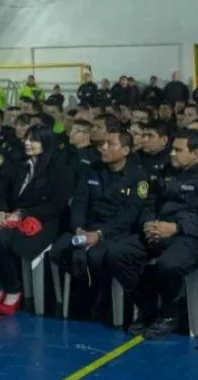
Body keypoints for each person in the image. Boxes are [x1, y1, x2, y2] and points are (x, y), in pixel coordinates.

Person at [132, 129, 198, 339]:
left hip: (191, 236)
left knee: (169, 264)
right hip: (159, 229)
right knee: (123, 253)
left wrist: (176, 228)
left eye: (178, 150)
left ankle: (169, 314)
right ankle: (147, 307)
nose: (172, 154)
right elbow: (149, 202)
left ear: (195, 153)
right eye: (172, 149)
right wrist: (149, 224)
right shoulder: (164, 171)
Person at [0, 125, 71, 317]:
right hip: (11, 217)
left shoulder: (59, 170)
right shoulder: (17, 164)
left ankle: (13, 289)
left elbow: (55, 206)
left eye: (33, 140)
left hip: (41, 222)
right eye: (26, 138)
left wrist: (23, 213)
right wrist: (0, 210)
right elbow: (2, 192)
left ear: (46, 143)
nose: (27, 143)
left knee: (1, 239)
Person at [50, 129, 149, 321]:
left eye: (110, 144)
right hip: (87, 228)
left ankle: (102, 304)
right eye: (103, 144)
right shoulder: (92, 170)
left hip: (117, 233)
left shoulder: (137, 176)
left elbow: (129, 215)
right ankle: (78, 302)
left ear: (126, 150)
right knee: (60, 249)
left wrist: (100, 234)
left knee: (98, 255)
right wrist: (78, 227)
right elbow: (79, 202)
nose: (103, 148)